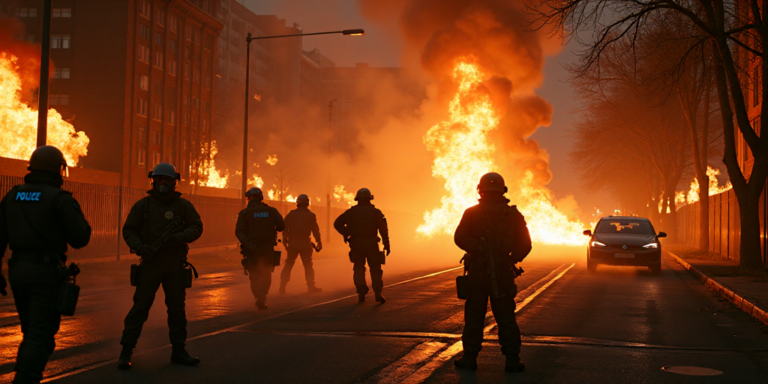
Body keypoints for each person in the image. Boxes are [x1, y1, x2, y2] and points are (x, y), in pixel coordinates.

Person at [0, 146, 91, 384]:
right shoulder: (59, 199)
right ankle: (25, 379)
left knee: (30, 329)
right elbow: (80, 238)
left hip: (17, 271)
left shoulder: (12, 196)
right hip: (45, 272)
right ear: (57, 170)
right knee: (40, 334)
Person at [118, 163, 203, 370]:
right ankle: (126, 350)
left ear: (175, 182)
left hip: (174, 263)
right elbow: (129, 230)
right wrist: (141, 247)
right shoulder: (143, 206)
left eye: (167, 179)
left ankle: (179, 350)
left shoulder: (184, 206)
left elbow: (197, 227)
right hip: (151, 263)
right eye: (159, 179)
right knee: (140, 308)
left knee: (176, 310)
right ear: (153, 181)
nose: (163, 183)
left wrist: (179, 238)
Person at [453, 172, 532, 373]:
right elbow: (526, 245)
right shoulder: (514, 215)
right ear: (503, 190)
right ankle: (512, 360)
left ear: (480, 190)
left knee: (474, 316)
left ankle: (469, 359)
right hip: (503, 273)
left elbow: (459, 237)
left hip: (478, 274)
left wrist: (477, 248)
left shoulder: (471, 213)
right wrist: (509, 259)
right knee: (505, 316)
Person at [334, 188, 390, 304]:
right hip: (372, 244)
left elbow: (337, 223)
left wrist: (347, 234)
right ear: (370, 198)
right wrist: (386, 244)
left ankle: (361, 293)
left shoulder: (351, 213)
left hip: (356, 245)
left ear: (357, 199)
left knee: (359, 269)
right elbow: (383, 230)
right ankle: (378, 292)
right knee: (375, 269)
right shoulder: (376, 212)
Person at [235, 187, 284, 310]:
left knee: (254, 274)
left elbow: (239, 231)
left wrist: (248, 244)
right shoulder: (271, 211)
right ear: (261, 198)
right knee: (266, 272)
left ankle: (258, 296)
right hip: (267, 248)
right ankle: (263, 296)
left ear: (249, 198)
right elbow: (281, 226)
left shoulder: (244, 213)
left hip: (252, 249)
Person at [280, 194, 322, 294]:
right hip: (305, 243)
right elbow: (315, 230)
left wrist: (285, 240)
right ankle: (311, 286)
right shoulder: (310, 215)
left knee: (288, 265)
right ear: (307, 203)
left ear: (297, 203)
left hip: (293, 243)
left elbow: (284, 228)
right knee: (308, 265)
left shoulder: (291, 214)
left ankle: (282, 287)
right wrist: (319, 242)